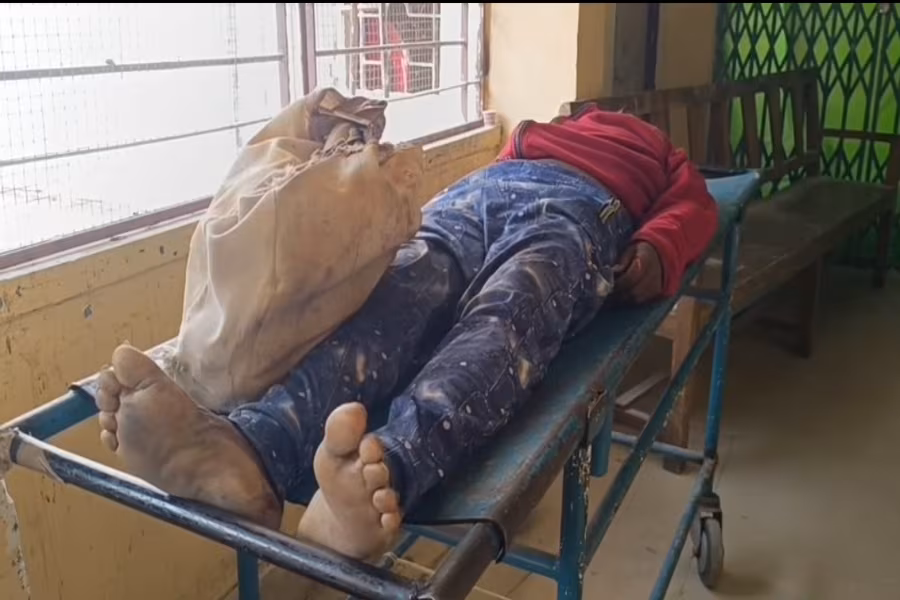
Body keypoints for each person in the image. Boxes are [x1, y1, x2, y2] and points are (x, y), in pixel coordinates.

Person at [94, 105, 718, 560]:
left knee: (505, 319)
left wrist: (655, 248)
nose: (607, 115)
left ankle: (381, 474)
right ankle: (249, 450)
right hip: (475, 196)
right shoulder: (543, 128)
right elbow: (500, 166)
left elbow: (695, 207)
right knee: (394, 300)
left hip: (576, 209)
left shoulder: (662, 155)